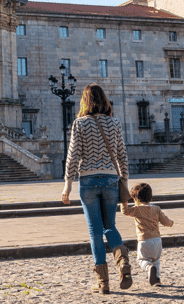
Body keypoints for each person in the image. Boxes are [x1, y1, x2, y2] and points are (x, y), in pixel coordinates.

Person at [61, 83, 132, 295]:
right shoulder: (114, 123)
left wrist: (67, 186)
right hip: (111, 180)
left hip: (88, 181)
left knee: (94, 231)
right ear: (104, 99)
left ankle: (103, 283)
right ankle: (122, 262)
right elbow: (122, 156)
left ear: (85, 101)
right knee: (110, 225)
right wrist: (125, 184)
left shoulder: (79, 124)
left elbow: (73, 157)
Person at [120, 182, 174, 286]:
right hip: (157, 240)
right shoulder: (156, 209)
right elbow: (165, 221)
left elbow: (125, 211)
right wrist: (171, 223)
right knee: (156, 260)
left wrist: (123, 201)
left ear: (136, 198)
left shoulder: (137, 209)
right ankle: (157, 278)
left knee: (142, 260)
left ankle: (148, 268)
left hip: (144, 240)